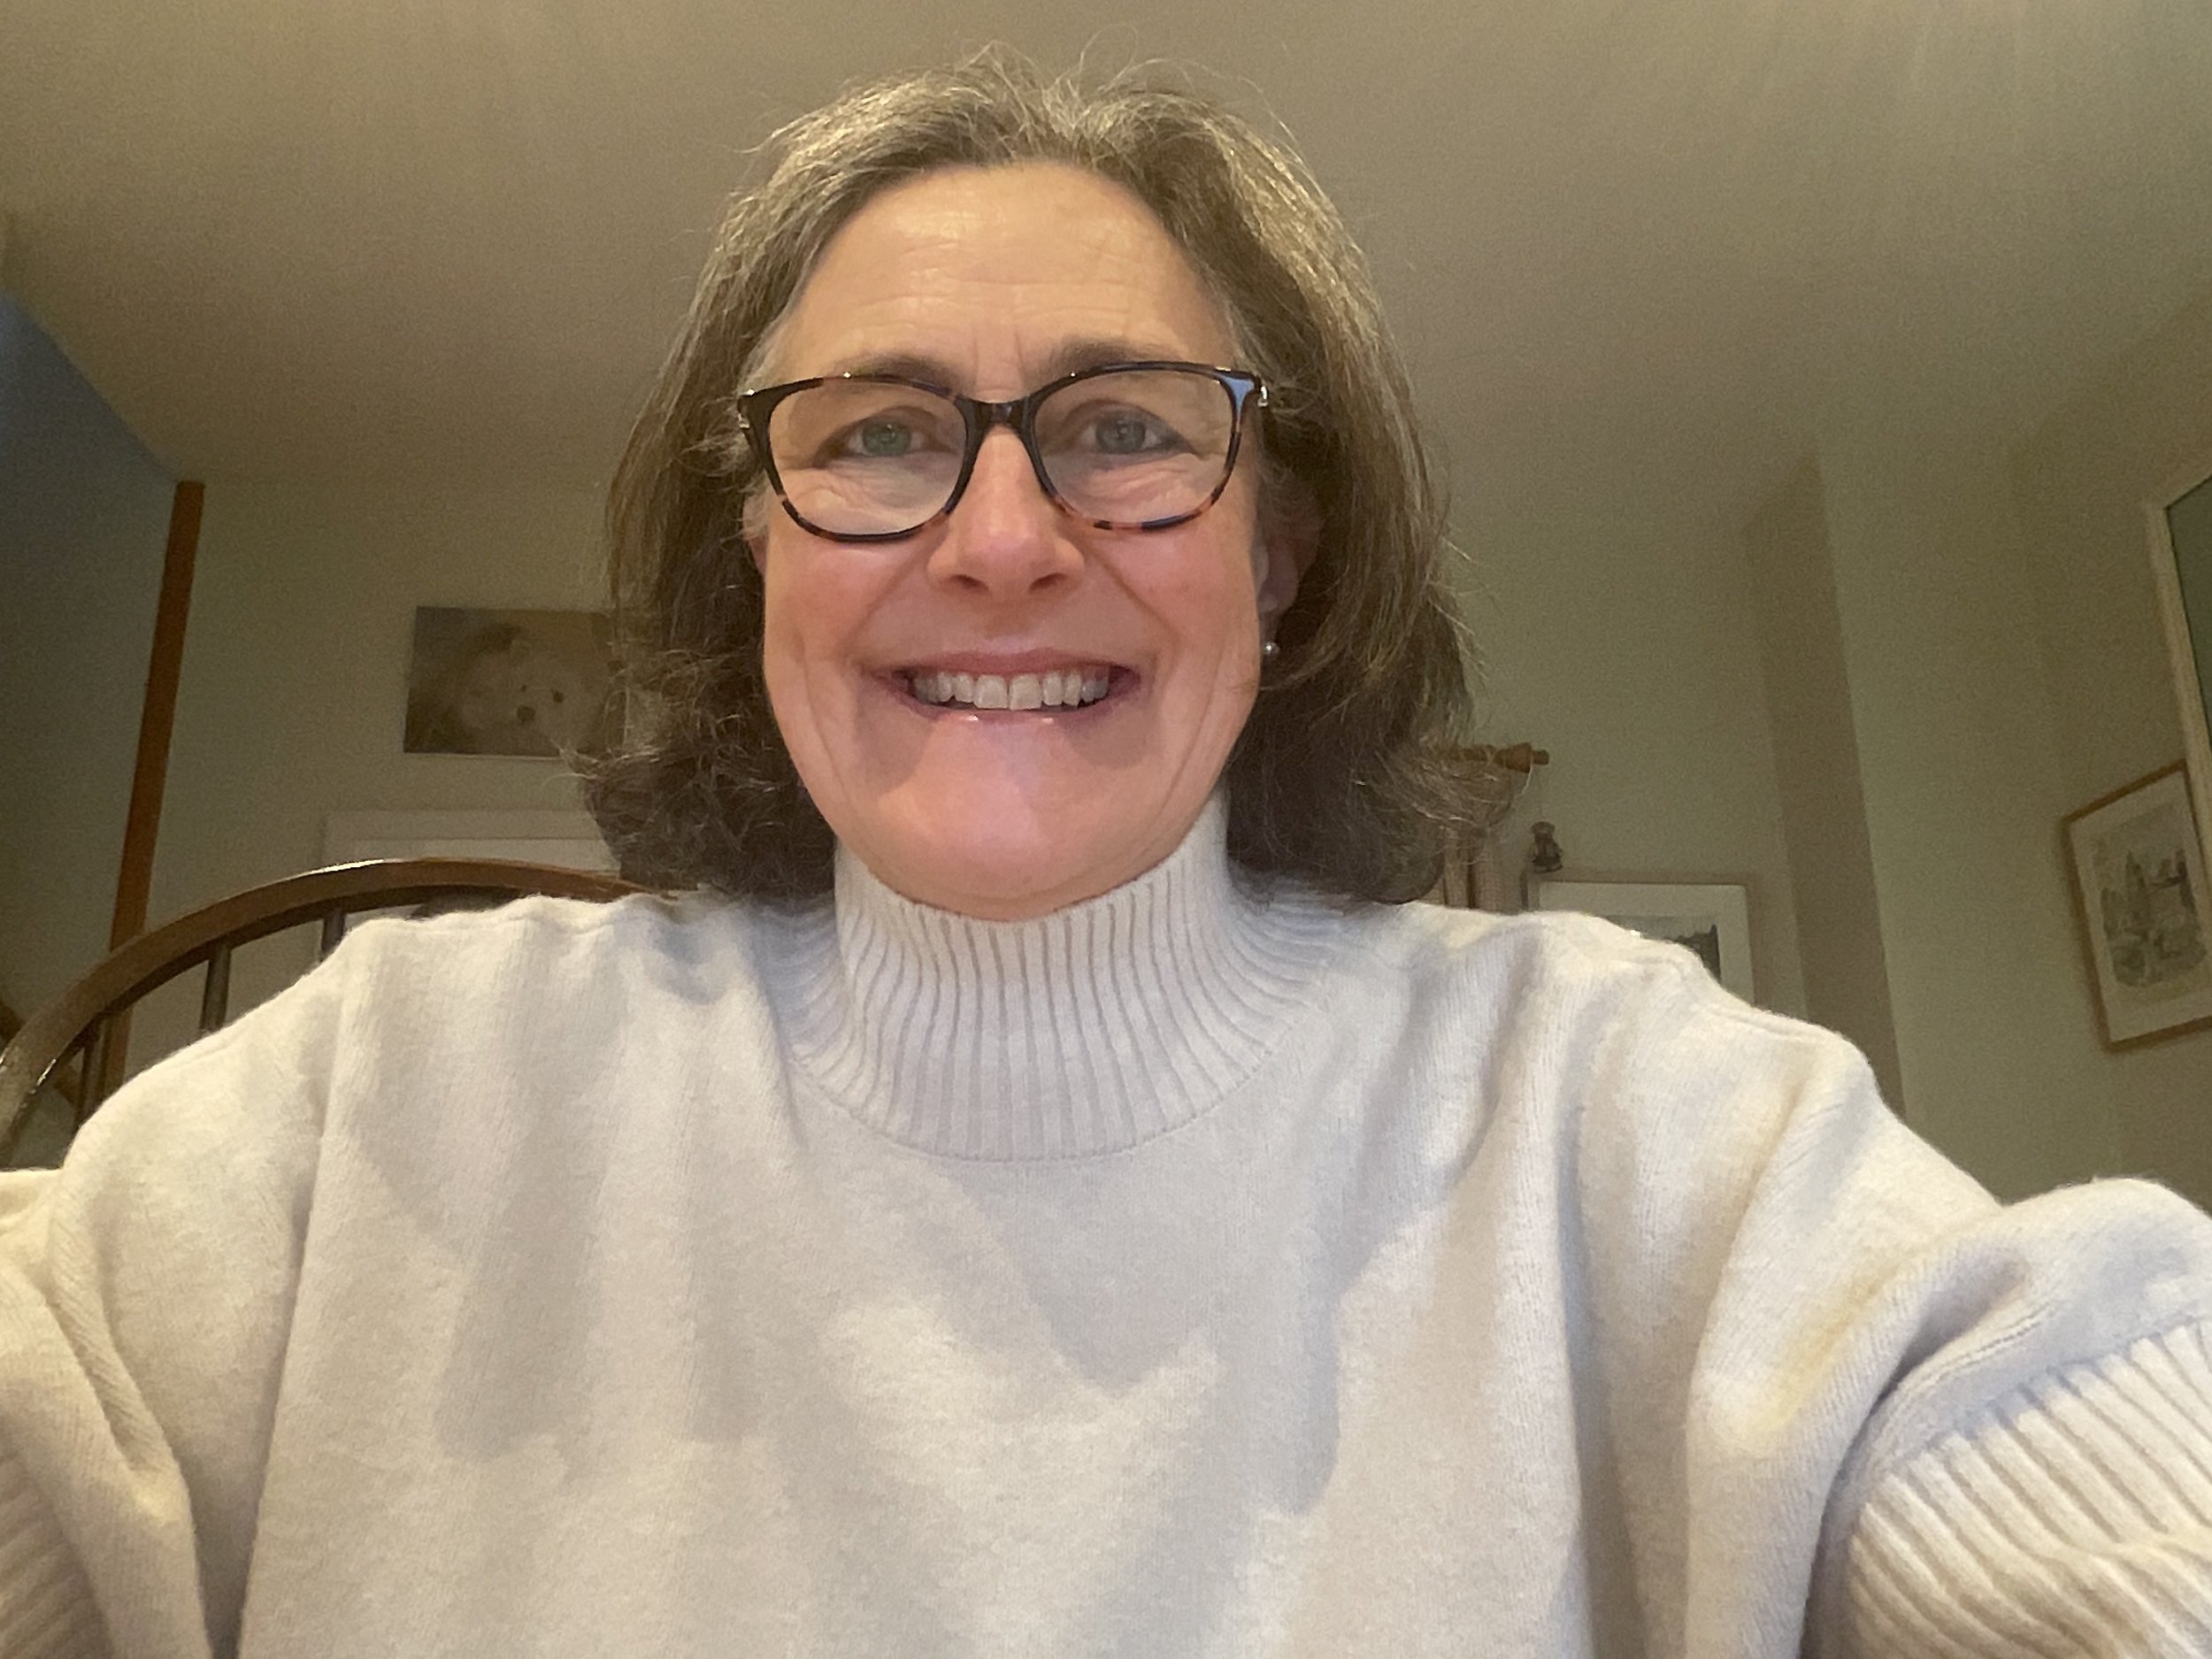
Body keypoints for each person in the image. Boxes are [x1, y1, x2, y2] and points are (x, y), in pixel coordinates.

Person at [6, 51, 2212, 1659]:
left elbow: (2064, 1448)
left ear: (1280, 549)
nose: (995, 538)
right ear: (751, 546)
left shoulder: (1621, 1100)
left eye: (1124, 430)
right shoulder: (381, 1091)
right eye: (876, 432)